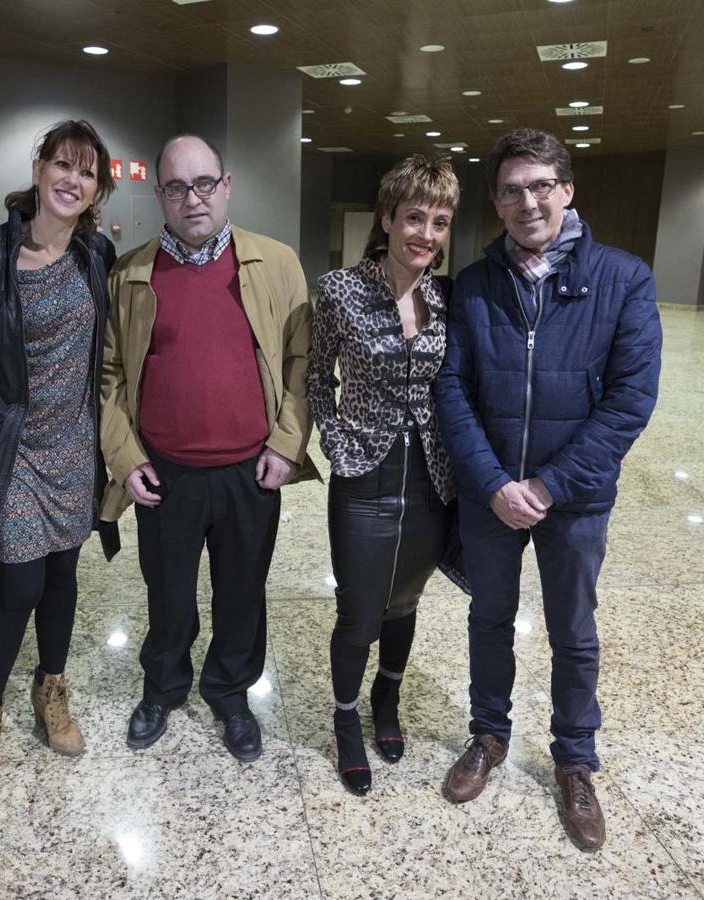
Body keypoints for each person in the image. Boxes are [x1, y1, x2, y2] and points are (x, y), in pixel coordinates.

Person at [434, 128, 662, 851]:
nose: (526, 200)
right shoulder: (472, 284)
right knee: (489, 621)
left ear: (567, 189)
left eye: (540, 185)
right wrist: (497, 483)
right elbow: (451, 391)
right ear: (497, 203)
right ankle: (488, 737)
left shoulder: (624, 279)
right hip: (491, 495)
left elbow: (631, 400)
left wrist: (551, 484)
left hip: (575, 499)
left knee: (574, 632)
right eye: (510, 189)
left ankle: (574, 761)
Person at [101, 134, 315, 762]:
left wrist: (287, 442)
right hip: (164, 473)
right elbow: (110, 376)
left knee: (242, 592)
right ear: (160, 195)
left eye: (203, 184)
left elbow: (303, 362)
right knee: (167, 594)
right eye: (175, 187)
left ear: (226, 186)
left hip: (252, 471)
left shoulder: (275, 263)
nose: (190, 198)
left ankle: (229, 691)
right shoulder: (130, 273)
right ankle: (163, 687)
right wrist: (125, 456)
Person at [0, 120, 120, 801]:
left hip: (74, 447)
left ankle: (52, 690)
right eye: (62, 165)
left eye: (87, 171)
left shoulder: (95, 255)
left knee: (64, 578)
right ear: (38, 168)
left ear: (99, 186)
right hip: (11, 449)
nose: (73, 180)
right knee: (18, 588)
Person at [306, 154, 460, 796]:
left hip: (430, 476)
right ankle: (345, 722)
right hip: (363, 473)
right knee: (359, 610)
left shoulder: (442, 297)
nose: (426, 233)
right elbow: (315, 376)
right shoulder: (340, 289)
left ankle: (386, 701)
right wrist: (337, 440)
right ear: (388, 219)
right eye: (415, 218)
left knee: (406, 602)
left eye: (441, 221)